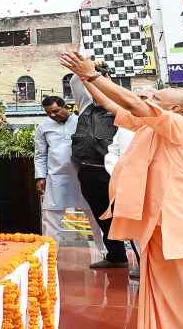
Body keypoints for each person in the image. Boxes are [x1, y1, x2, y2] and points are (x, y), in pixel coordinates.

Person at [60, 52, 183, 329]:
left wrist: (95, 75)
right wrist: (87, 79)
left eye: (157, 99)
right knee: (162, 283)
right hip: (158, 221)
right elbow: (111, 105)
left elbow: (132, 102)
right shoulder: (150, 127)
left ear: (175, 110)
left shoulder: (180, 125)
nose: (148, 101)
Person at [68, 65, 131, 269]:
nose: (97, 93)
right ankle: (116, 256)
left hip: (114, 172)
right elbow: (75, 83)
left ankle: (144, 262)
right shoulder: (86, 105)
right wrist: (88, 68)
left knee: (126, 216)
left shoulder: (123, 109)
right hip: (88, 171)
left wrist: (100, 77)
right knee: (101, 216)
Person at [34, 95, 107, 259]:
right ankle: (49, 257)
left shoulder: (81, 121)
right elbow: (40, 154)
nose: (52, 115)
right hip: (57, 177)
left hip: (84, 176)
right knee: (51, 217)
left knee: (95, 215)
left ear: (64, 106)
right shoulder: (43, 127)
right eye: (48, 113)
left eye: (55, 111)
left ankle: (106, 253)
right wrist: (40, 177)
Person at [104, 87, 157, 174]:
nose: (138, 101)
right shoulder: (124, 124)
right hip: (124, 180)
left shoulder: (162, 126)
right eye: (136, 98)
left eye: (143, 97)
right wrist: (117, 172)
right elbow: (113, 152)